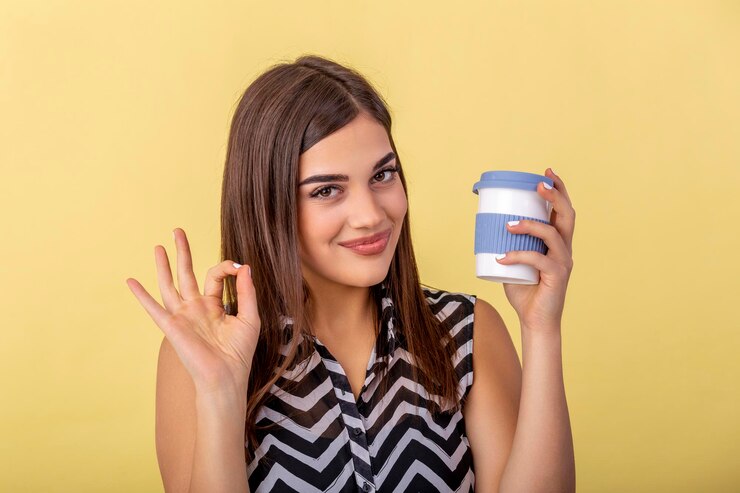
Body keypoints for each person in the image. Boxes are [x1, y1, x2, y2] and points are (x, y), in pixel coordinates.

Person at [126, 54, 576, 493]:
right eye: (327, 190)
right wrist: (220, 393)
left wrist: (541, 328)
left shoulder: (465, 333)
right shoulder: (202, 353)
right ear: (267, 205)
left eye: (383, 175)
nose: (370, 214)